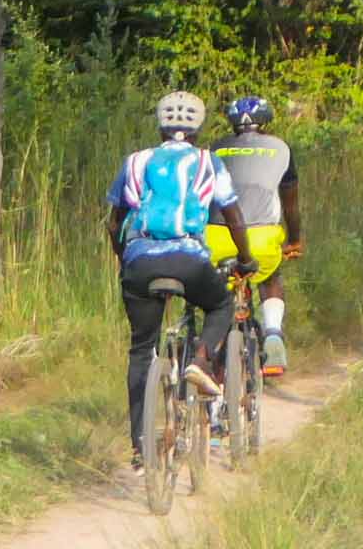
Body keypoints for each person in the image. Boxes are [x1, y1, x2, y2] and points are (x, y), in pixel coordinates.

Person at [107, 89, 252, 472]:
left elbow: (113, 221)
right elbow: (234, 216)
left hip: (140, 262)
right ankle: (201, 360)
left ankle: (140, 446)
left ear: (160, 124)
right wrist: (247, 258)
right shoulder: (208, 162)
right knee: (220, 304)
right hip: (190, 260)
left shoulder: (136, 162)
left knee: (142, 349)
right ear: (199, 127)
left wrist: (127, 262)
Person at [205, 94, 302, 377]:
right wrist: (294, 240)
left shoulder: (215, 149)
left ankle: (215, 346)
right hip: (261, 236)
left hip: (216, 235)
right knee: (269, 276)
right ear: (267, 122)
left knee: (219, 287)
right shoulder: (280, 149)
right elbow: (291, 206)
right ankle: (273, 335)